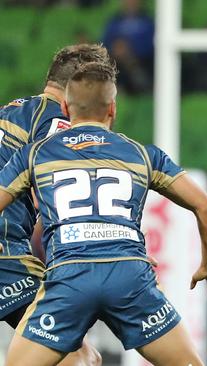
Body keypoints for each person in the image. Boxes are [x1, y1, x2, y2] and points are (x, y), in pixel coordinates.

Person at [2, 62, 207, 366]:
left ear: (64, 107)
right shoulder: (142, 154)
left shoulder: (36, 155)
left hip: (70, 276)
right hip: (130, 276)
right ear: (112, 108)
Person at [0, 43, 114, 366]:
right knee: (78, 354)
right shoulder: (60, 124)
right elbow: (68, 200)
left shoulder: (11, 113)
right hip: (5, 251)